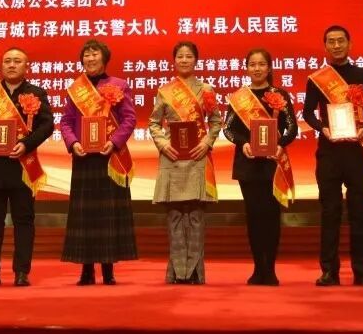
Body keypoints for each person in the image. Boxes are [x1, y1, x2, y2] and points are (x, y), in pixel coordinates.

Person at [302, 25, 363, 287]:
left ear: (349, 43)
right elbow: (308, 112)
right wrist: (321, 128)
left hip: (356, 152)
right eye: (331, 42)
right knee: (330, 213)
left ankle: (362, 270)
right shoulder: (317, 78)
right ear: (325, 46)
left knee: (359, 212)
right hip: (329, 153)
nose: (336, 46)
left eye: (340, 41)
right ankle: (329, 271)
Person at [0, 47, 54, 287]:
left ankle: (21, 272)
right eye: (7, 61)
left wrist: (27, 144)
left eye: (17, 61)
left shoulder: (36, 93)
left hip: (22, 167)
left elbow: (47, 125)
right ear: (1, 65)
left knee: (23, 220)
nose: (12, 65)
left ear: (26, 66)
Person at [59, 39, 138, 285]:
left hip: (110, 157)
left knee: (108, 215)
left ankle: (108, 270)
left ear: (104, 59)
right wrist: (73, 142)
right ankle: (86, 270)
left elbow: (129, 119)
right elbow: (66, 121)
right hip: (84, 158)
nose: (90, 58)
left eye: (95, 54)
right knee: (85, 215)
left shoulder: (119, 85)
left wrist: (114, 142)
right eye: (86, 55)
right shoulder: (76, 89)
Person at [222, 48, 297, 286]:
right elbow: (228, 128)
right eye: (252, 64)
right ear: (246, 68)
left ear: (269, 67)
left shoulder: (280, 95)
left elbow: (292, 127)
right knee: (254, 216)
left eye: (261, 64)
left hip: (272, 163)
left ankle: (270, 269)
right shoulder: (239, 97)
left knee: (272, 216)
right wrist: (242, 143)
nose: (257, 68)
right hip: (248, 163)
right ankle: (258, 268)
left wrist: (280, 145)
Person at [149, 41, 221, 284]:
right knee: (175, 217)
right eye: (180, 56)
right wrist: (163, 144)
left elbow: (216, 121)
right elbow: (154, 123)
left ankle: (195, 273)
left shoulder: (206, 90)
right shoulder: (165, 91)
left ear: (196, 60)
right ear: (174, 60)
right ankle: (177, 273)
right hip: (172, 157)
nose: (184, 60)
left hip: (198, 157)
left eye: (189, 56)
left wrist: (207, 143)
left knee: (196, 217)